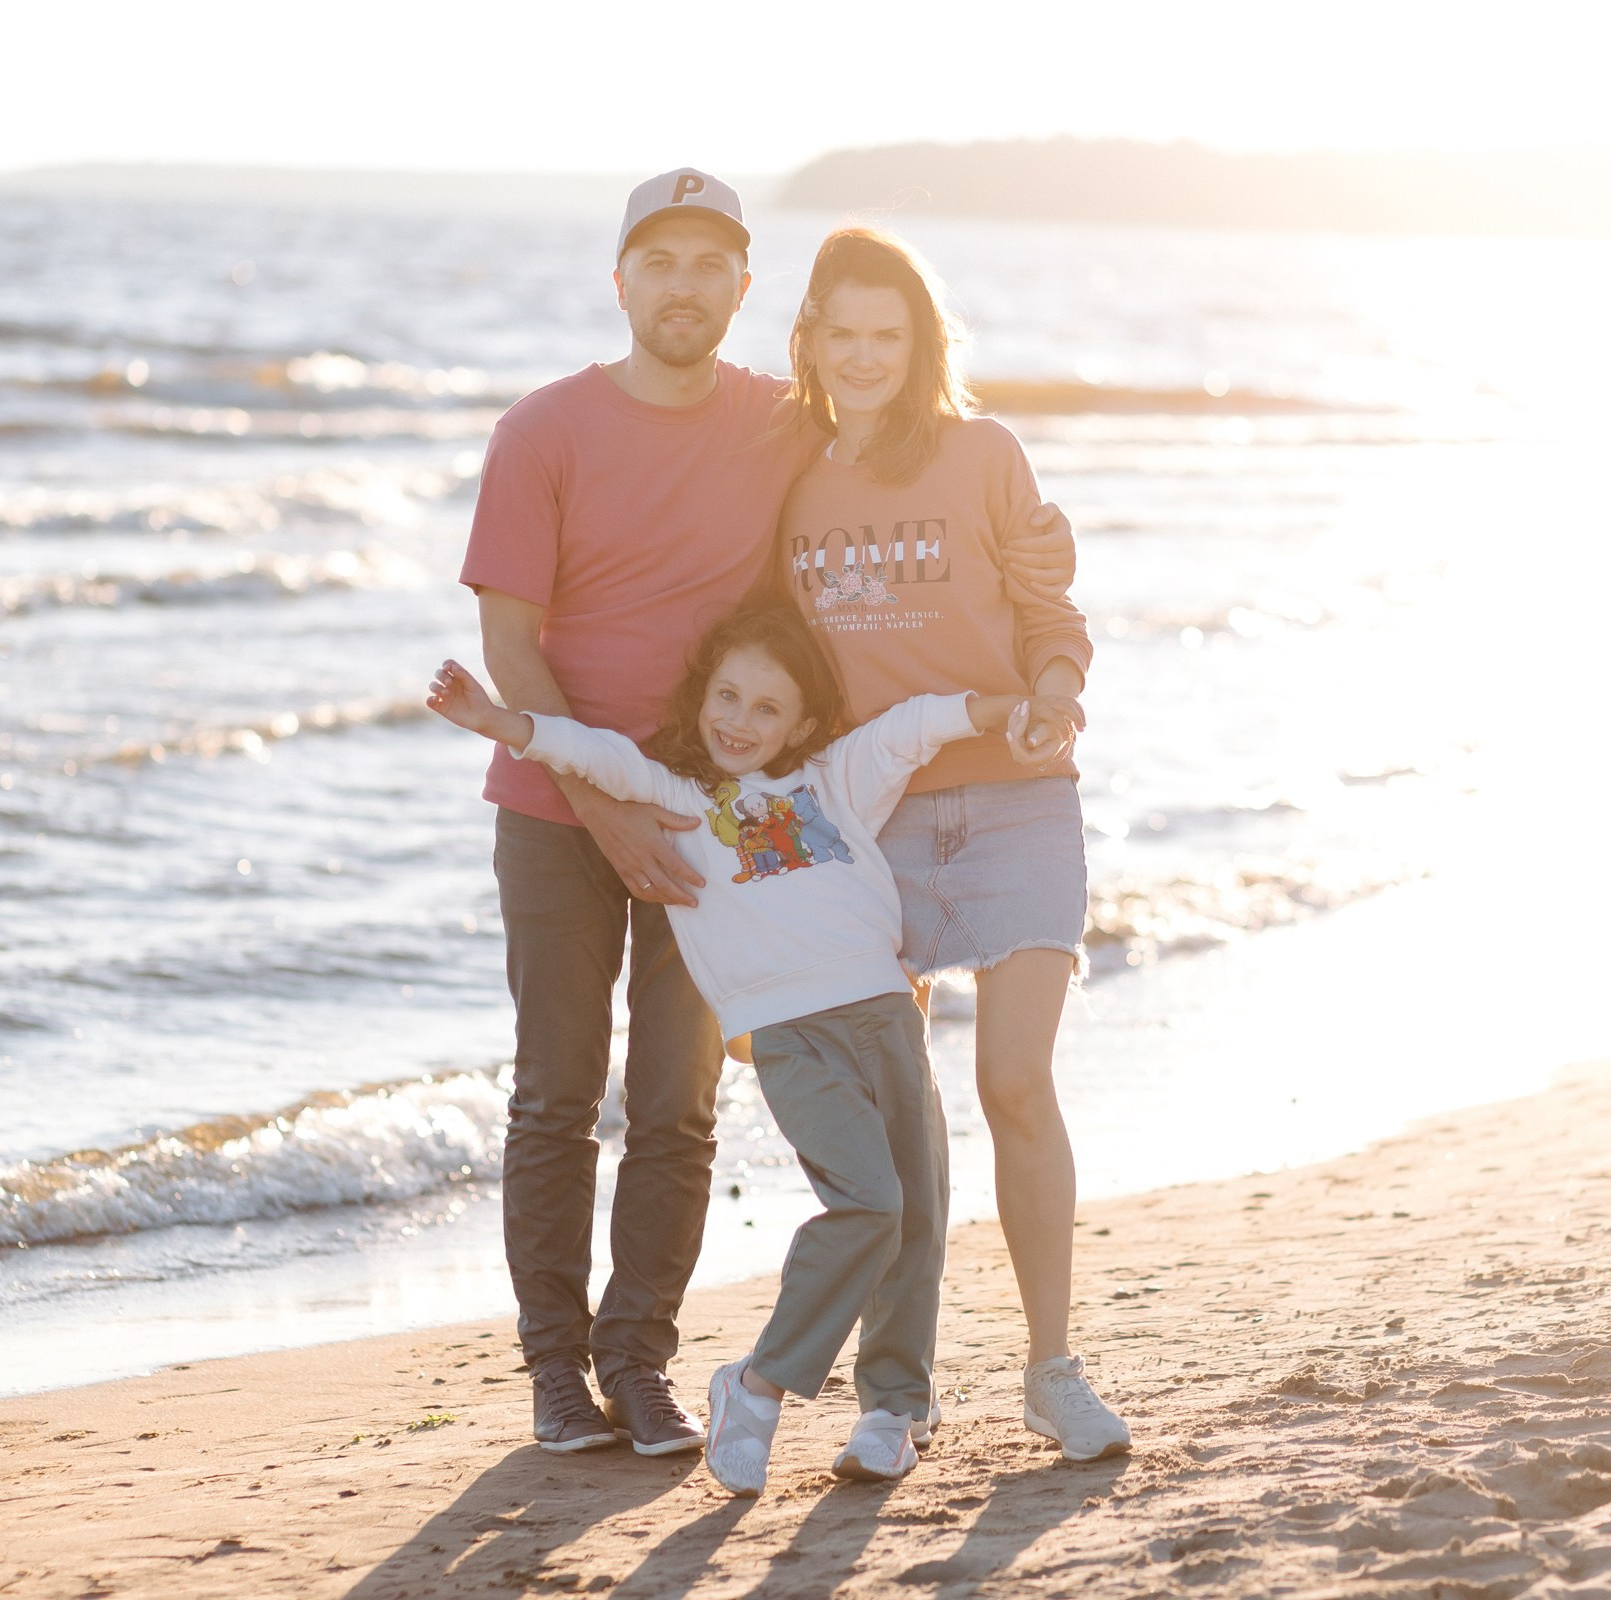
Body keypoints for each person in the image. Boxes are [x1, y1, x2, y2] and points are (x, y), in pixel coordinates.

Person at [456, 170, 1077, 1457]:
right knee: (557, 1094)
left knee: (680, 1105)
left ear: (745, 290)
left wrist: (1036, 601)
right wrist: (601, 807)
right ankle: (556, 1375)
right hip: (562, 812)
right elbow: (510, 645)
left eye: (709, 265)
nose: (683, 286)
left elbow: (908, 456)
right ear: (619, 279)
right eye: (658, 261)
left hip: (727, 825)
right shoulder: (541, 429)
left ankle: (640, 1363)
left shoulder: (782, 423)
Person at [426, 605, 1031, 1493]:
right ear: (702, 697)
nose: (740, 722)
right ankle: (754, 1388)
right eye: (728, 697)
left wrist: (1002, 707)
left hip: (886, 1017)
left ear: (805, 725)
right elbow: (591, 753)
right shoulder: (683, 800)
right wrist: (498, 723)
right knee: (868, 1205)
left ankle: (893, 1406)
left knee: (920, 1215)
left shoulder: (836, 780)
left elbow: (913, 727)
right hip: (791, 1037)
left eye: (766, 709)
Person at [772, 227, 1132, 1461]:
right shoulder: (789, 479)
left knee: (1014, 1080)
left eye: (892, 335)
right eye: (845, 334)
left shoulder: (983, 454)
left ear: (922, 344)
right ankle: (899, 1391)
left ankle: (1051, 1366)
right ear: (810, 340)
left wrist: (1058, 681)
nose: (866, 357)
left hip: (1018, 797)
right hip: (868, 820)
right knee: (895, 1118)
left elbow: (1050, 610)